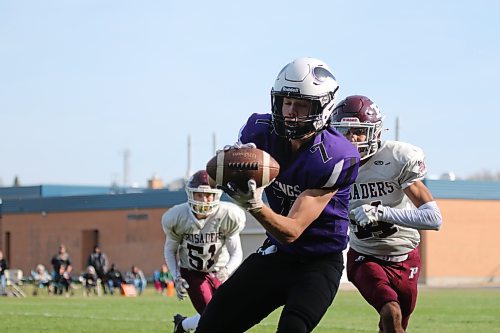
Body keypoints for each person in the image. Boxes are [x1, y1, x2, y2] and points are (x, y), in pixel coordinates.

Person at [195, 57, 360, 333]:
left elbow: (293, 230)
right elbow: (213, 176)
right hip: (275, 255)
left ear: (323, 106)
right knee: (211, 326)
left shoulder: (337, 156)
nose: (291, 112)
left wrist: (255, 205)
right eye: (286, 102)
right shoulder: (260, 130)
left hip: (317, 263)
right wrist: (227, 169)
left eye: (301, 104)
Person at [330, 95, 443, 333]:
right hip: (365, 256)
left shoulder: (397, 158)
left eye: (359, 130)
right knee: (390, 311)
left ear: (375, 132)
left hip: (406, 255)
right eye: (345, 131)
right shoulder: (332, 164)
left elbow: (434, 219)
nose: (352, 138)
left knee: (395, 325)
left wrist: (381, 212)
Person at [162, 169, 246, 333]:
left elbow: (236, 252)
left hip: (218, 272)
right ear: (190, 194)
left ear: (217, 195)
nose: (204, 200)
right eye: (199, 194)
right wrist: (176, 276)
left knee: (227, 314)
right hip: (193, 272)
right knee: (213, 317)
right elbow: (169, 250)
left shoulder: (228, 214)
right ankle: (183, 325)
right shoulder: (178, 216)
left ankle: (182, 325)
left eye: (208, 195)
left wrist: (227, 271)